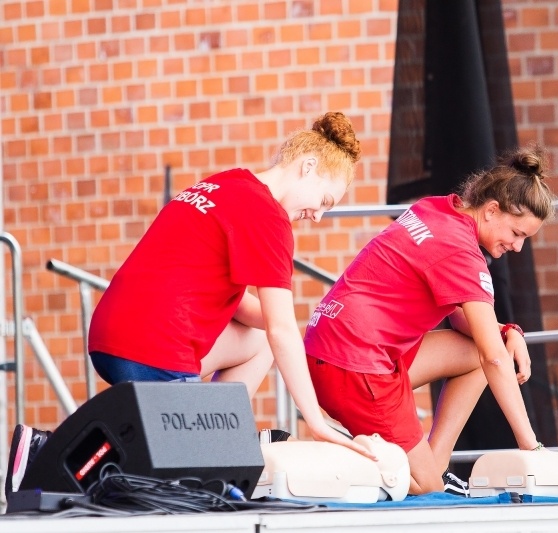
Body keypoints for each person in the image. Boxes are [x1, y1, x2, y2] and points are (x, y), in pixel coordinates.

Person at [5, 111, 376, 499]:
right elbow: (283, 330)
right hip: (155, 349)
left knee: (263, 340)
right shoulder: (269, 217)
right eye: (324, 201)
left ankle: (220, 434)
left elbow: (249, 313)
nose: (317, 216)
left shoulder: (226, 184)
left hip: (109, 335)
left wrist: (278, 324)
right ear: (308, 167)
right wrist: (317, 422)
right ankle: (46, 450)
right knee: (180, 478)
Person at [304, 144, 557, 496]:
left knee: (475, 353)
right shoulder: (463, 253)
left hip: (330, 350)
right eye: (517, 234)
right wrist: (531, 448)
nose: (517, 247)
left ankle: (434, 466)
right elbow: (495, 359)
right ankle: (324, 458)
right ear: (492, 210)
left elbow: (467, 326)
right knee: (424, 487)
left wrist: (507, 331)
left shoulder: (438, 208)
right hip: (355, 365)